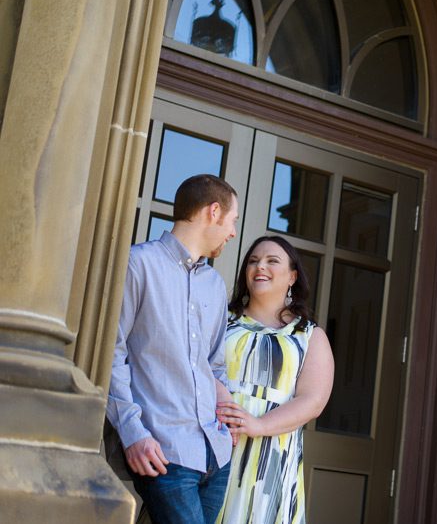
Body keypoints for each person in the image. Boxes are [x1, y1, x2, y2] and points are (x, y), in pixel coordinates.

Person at [106, 174, 240, 524]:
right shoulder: (139, 264)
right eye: (232, 220)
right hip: (164, 452)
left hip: (216, 454)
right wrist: (132, 433)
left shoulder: (214, 284)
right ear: (214, 211)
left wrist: (227, 420)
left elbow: (214, 367)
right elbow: (110, 354)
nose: (233, 232)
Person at [215, 235, 334, 524]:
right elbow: (196, 368)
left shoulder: (309, 335)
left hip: (271, 457)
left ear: (292, 276)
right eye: (253, 261)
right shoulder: (221, 319)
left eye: (272, 261)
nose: (260, 267)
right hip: (217, 440)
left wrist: (258, 425)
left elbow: (313, 400)